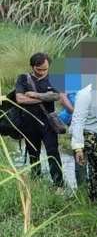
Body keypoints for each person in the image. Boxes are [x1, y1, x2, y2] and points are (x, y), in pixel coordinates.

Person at [13, 52, 69, 186]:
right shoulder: (23, 78)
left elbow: (56, 96)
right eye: (39, 69)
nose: (42, 72)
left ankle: (58, 184)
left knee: (53, 152)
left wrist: (35, 95)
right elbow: (20, 99)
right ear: (32, 66)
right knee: (33, 153)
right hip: (29, 122)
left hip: (48, 123)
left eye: (45, 69)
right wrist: (44, 96)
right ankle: (36, 181)